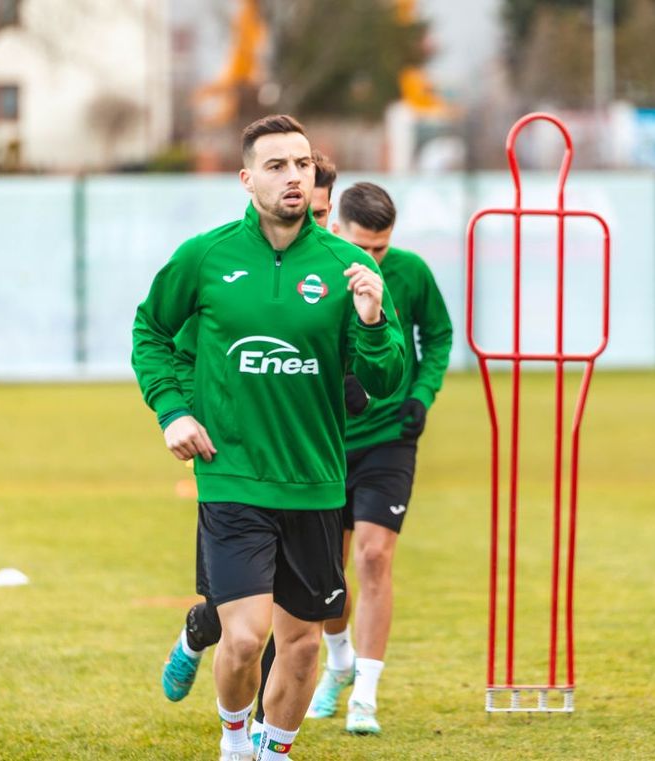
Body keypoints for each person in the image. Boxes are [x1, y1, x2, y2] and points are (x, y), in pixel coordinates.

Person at [132, 114, 405, 761]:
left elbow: (385, 377)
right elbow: (151, 332)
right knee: (247, 637)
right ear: (246, 178)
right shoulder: (205, 256)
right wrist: (172, 410)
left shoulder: (347, 265)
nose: (293, 177)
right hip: (233, 475)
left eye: (302, 164)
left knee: (303, 645)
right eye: (277, 165)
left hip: (315, 484)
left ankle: (273, 750)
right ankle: (234, 740)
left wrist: (372, 322)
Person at [304, 182, 453, 735]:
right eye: (362, 247)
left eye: (381, 247)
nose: (372, 258)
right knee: (327, 571)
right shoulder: (313, 274)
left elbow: (437, 336)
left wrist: (421, 395)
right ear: (336, 229)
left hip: (390, 438)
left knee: (373, 557)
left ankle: (364, 693)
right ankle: (339, 660)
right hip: (326, 440)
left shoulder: (411, 273)